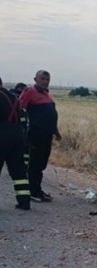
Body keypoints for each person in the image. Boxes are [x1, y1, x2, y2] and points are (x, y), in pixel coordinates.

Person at [19, 70, 60, 202]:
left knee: (41, 165)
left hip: (47, 135)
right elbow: (19, 108)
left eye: (47, 79)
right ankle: (32, 191)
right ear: (35, 79)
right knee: (35, 164)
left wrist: (56, 131)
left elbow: (51, 116)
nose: (45, 82)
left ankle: (38, 189)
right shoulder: (30, 92)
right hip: (36, 134)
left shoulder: (47, 95)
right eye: (42, 79)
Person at [0, 77, 31, 210]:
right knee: (19, 171)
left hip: (2, 133)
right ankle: (24, 201)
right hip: (17, 134)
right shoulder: (12, 96)